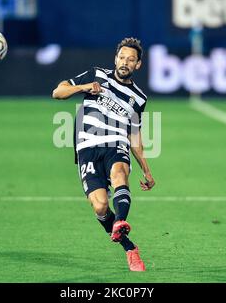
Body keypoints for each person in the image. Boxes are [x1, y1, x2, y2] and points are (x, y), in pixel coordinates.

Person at [52, 37, 155, 272]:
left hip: (116, 142)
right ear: (115, 59)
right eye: (122, 57)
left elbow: (134, 135)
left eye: (131, 59)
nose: (125, 62)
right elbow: (57, 92)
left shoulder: (139, 98)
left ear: (138, 64)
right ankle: (130, 248)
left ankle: (120, 221)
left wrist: (147, 170)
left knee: (120, 173)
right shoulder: (97, 75)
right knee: (99, 207)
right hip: (87, 146)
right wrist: (83, 87)